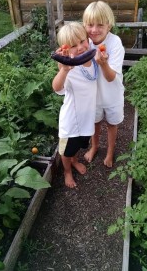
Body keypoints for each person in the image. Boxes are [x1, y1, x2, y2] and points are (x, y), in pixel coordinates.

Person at [52, 22, 98, 188]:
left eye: (82, 41)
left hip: (86, 118)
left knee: (78, 145)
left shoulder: (92, 58)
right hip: (71, 121)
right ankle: (67, 171)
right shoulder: (68, 67)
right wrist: (64, 69)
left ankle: (74, 161)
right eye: (73, 46)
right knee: (66, 150)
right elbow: (56, 87)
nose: (79, 47)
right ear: (65, 49)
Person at [82, 1, 125, 168]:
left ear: (109, 25)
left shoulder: (115, 43)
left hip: (112, 95)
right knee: (95, 122)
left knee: (112, 124)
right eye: (90, 25)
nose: (94, 30)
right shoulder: (85, 43)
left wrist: (103, 64)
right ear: (84, 25)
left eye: (100, 25)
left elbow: (110, 77)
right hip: (94, 96)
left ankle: (109, 152)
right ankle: (94, 147)